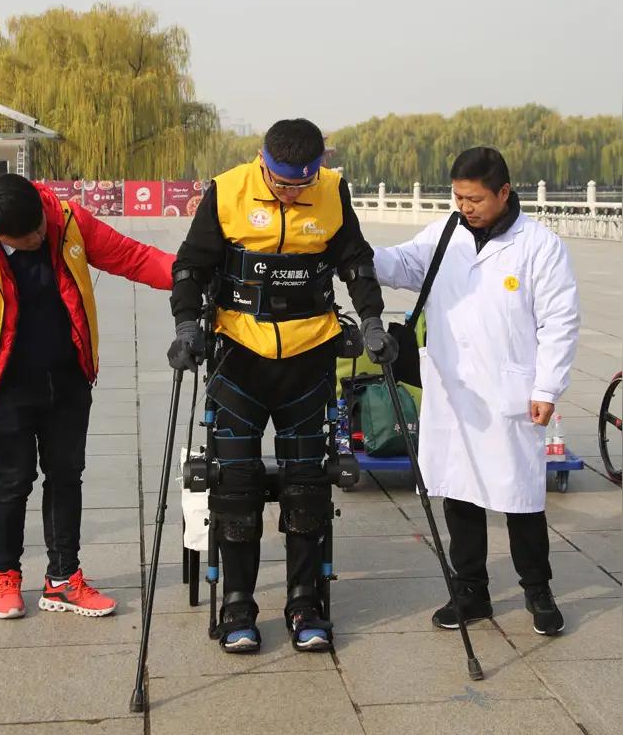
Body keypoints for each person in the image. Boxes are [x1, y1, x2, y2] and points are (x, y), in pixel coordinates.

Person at [168, 118, 397, 653]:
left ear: (318, 168)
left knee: (306, 484)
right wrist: (185, 327)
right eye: (281, 183)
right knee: (235, 484)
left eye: (302, 184)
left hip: (308, 356)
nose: (292, 193)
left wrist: (372, 322)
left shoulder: (333, 191)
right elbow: (190, 267)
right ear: (262, 161)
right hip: (239, 355)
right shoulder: (227, 190)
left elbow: (355, 261)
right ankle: (238, 605)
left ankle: (304, 603)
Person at [373, 147, 580, 636]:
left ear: (503, 192)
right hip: (452, 391)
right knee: (457, 492)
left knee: (520, 497)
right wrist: (350, 248)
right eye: (458, 197)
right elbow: (399, 265)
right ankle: (470, 591)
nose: (465, 207)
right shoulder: (445, 234)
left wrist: (548, 386)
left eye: (475, 199)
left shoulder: (539, 246)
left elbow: (560, 321)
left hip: (511, 390)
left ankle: (537, 589)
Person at [0, 174, 175, 620]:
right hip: (6, 389)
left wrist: (188, 275)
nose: (39, 238)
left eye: (39, 226)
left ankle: (63, 579)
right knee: (12, 480)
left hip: (68, 379)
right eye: (27, 237)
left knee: (66, 476)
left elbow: (130, 256)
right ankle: (5, 575)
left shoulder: (66, 220)